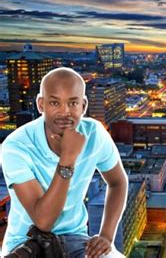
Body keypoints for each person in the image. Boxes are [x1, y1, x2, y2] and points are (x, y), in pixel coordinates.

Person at [1, 67, 128, 257]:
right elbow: (43, 221)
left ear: (83, 106)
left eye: (73, 103)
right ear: (41, 105)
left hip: (75, 238)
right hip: (26, 245)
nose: (65, 112)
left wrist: (107, 236)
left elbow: (118, 182)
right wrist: (68, 158)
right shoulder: (17, 146)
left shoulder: (94, 133)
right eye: (54, 103)